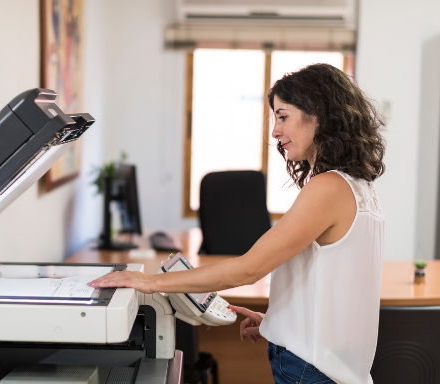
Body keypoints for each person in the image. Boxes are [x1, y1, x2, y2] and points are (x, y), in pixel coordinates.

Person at [89, 63, 386, 384]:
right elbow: (336, 288)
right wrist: (280, 322)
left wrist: (149, 283)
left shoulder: (328, 188)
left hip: (313, 371)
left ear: (319, 113)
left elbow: (250, 269)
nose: (274, 131)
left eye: (283, 116)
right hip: (334, 368)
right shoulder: (358, 186)